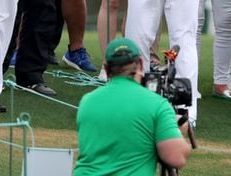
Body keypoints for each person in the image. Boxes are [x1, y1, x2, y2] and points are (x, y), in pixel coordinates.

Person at [74, 38, 191, 175]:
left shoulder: (87, 101)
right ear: (141, 64)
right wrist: (181, 131)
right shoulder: (157, 104)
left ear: (106, 68)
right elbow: (176, 158)